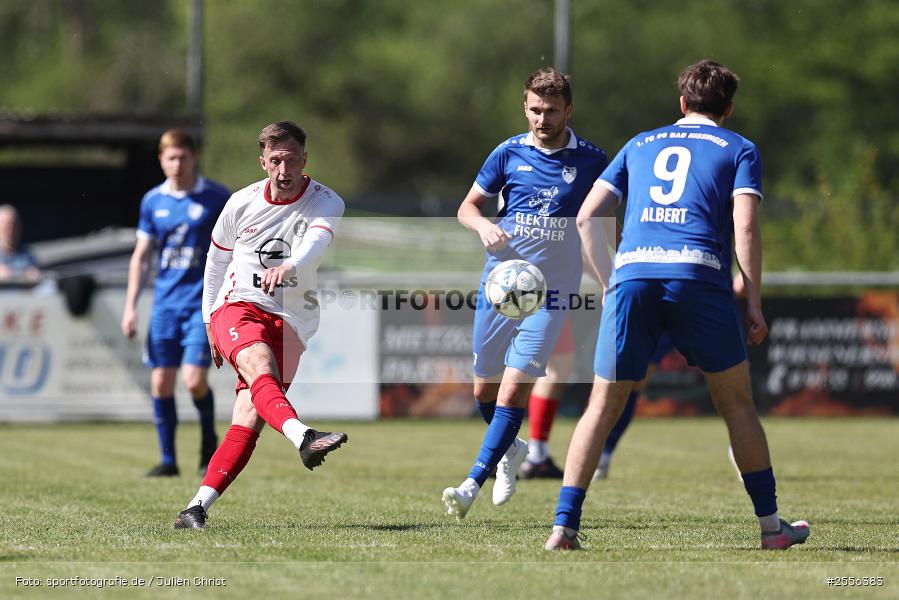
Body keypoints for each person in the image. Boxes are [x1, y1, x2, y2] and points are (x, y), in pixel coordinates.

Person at [545, 60, 810, 551]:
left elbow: (586, 218)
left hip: (634, 276)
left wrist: (611, 280)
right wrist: (753, 301)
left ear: (682, 104)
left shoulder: (640, 143)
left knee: (601, 406)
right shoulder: (739, 148)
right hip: (698, 275)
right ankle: (773, 528)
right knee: (736, 405)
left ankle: (563, 528)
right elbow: (746, 228)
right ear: (728, 109)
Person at [442, 68, 608, 519]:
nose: (542, 118)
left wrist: (611, 278)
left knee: (515, 390)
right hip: (501, 287)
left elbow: (603, 225)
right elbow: (467, 206)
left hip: (552, 294)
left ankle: (472, 482)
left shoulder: (594, 161)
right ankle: (511, 449)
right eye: (535, 109)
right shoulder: (507, 153)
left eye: (551, 110)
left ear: (569, 110)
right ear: (525, 107)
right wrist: (482, 225)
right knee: (485, 391)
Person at [174, 121, 348, 530]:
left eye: (290, 160)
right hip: (239, 306)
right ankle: (304, 437)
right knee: (259, 367)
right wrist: (207, 320)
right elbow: (216, 263)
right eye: (275, 161)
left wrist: (290, 266)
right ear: (263, 162)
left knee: (249, 416)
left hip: (293, 319)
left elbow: (314, 245)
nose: (283, 170)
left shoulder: (327, 201)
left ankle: (195, 508)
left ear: (305, 160)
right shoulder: (240, 203)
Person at [121, 129, 230, 477]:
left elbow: (234, 249)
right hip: (165, 306)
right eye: (171, 157)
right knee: (160, 383)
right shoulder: (153, 201)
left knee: (194, 380)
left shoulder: (216, 197)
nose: (178, 164)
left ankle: (208, 440)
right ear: (161, 160)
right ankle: (168, 459)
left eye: (183, 157)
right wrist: (130, 306)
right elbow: (141, 257)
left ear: (193, 157)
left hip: (201, 305)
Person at [0, 204, 40, 281]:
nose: (10, 231)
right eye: (6, 227)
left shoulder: (26, 255)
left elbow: (36, 275)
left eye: (14, 226)